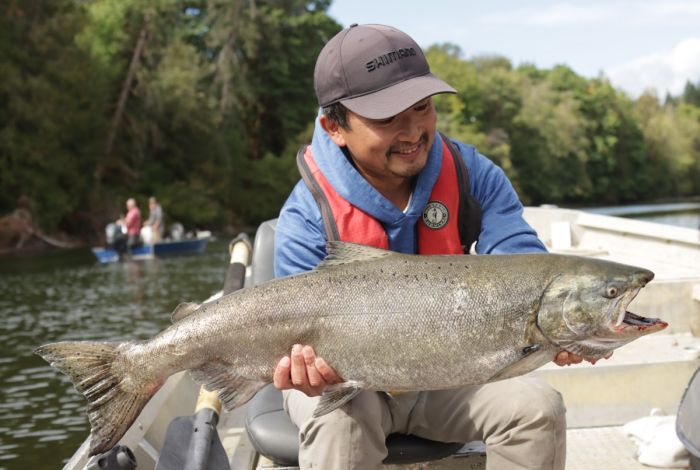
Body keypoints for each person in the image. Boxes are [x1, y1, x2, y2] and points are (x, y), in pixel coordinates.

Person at [271, 24, 601, 470]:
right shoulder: (305, 217)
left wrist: (559, 324)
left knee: (536, 405)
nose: (413, 131)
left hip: (451, 375)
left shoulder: (474, 176)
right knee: (341, 422)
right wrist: (302, 371)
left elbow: (527, 270)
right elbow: (290, 344)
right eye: (387, 119)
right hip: (346, 387)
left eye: (423, 108)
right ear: (335, 127)